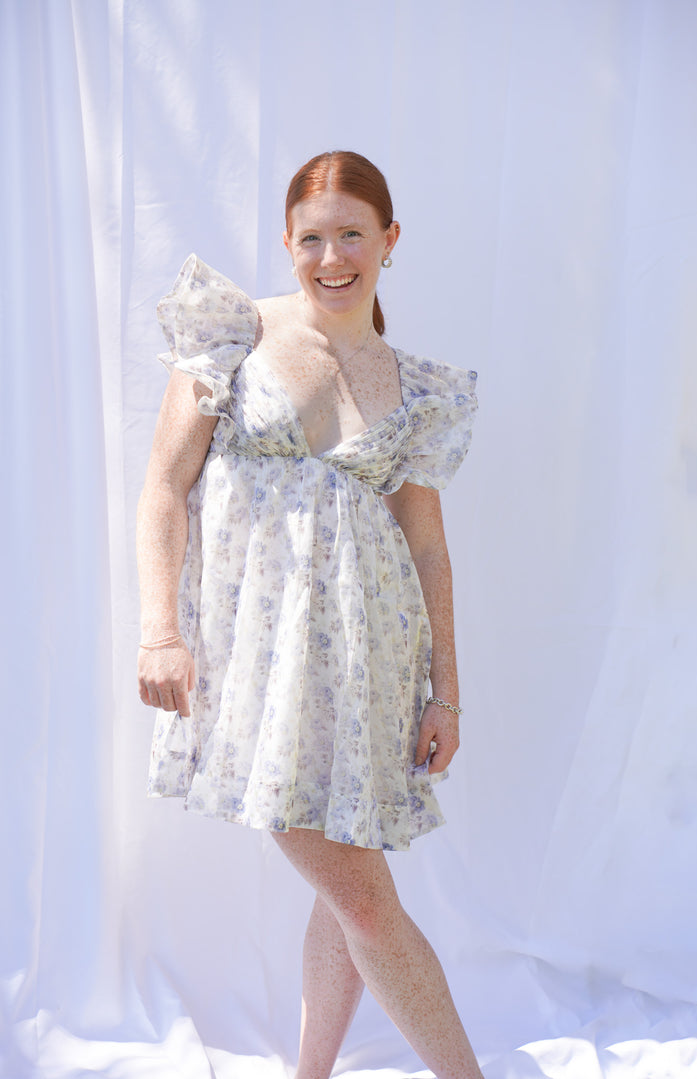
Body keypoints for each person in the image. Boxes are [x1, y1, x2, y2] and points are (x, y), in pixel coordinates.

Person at [137, 150, 484, 1079]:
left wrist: (445, 695)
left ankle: (310, 1073)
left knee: (349, 894)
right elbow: (164, 489)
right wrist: (158, 630)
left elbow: (428, 547)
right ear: (288, 244)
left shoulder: (413, 386)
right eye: (311, 239)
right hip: (260, 663)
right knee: (366, 899)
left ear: (390, 241)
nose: (332, 258)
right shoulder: (235, 332)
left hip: (371, 662)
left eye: (352, 235)